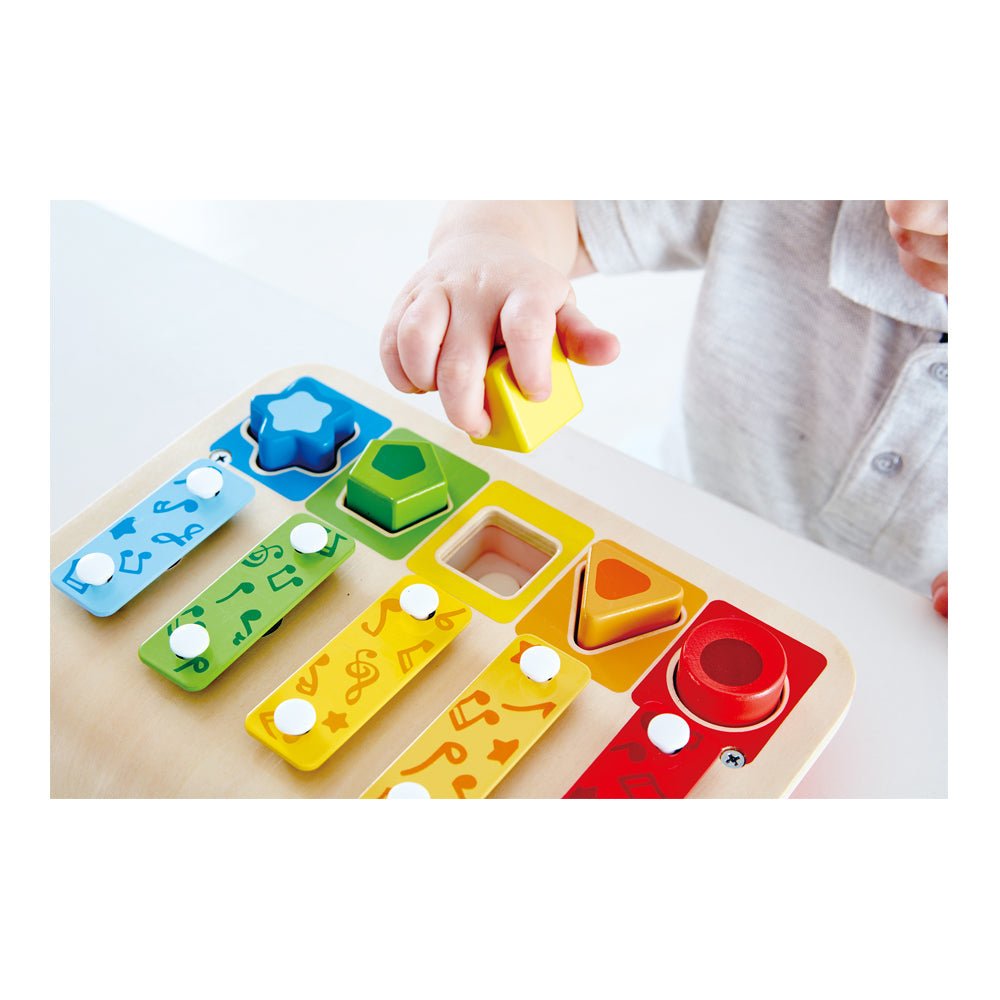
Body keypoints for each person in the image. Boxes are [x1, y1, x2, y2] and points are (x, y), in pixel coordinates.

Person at [379, 201, 948, 617]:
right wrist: (487, 246)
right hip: (665, 521)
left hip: (915, 638)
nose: (911, 208)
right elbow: (554, 202)